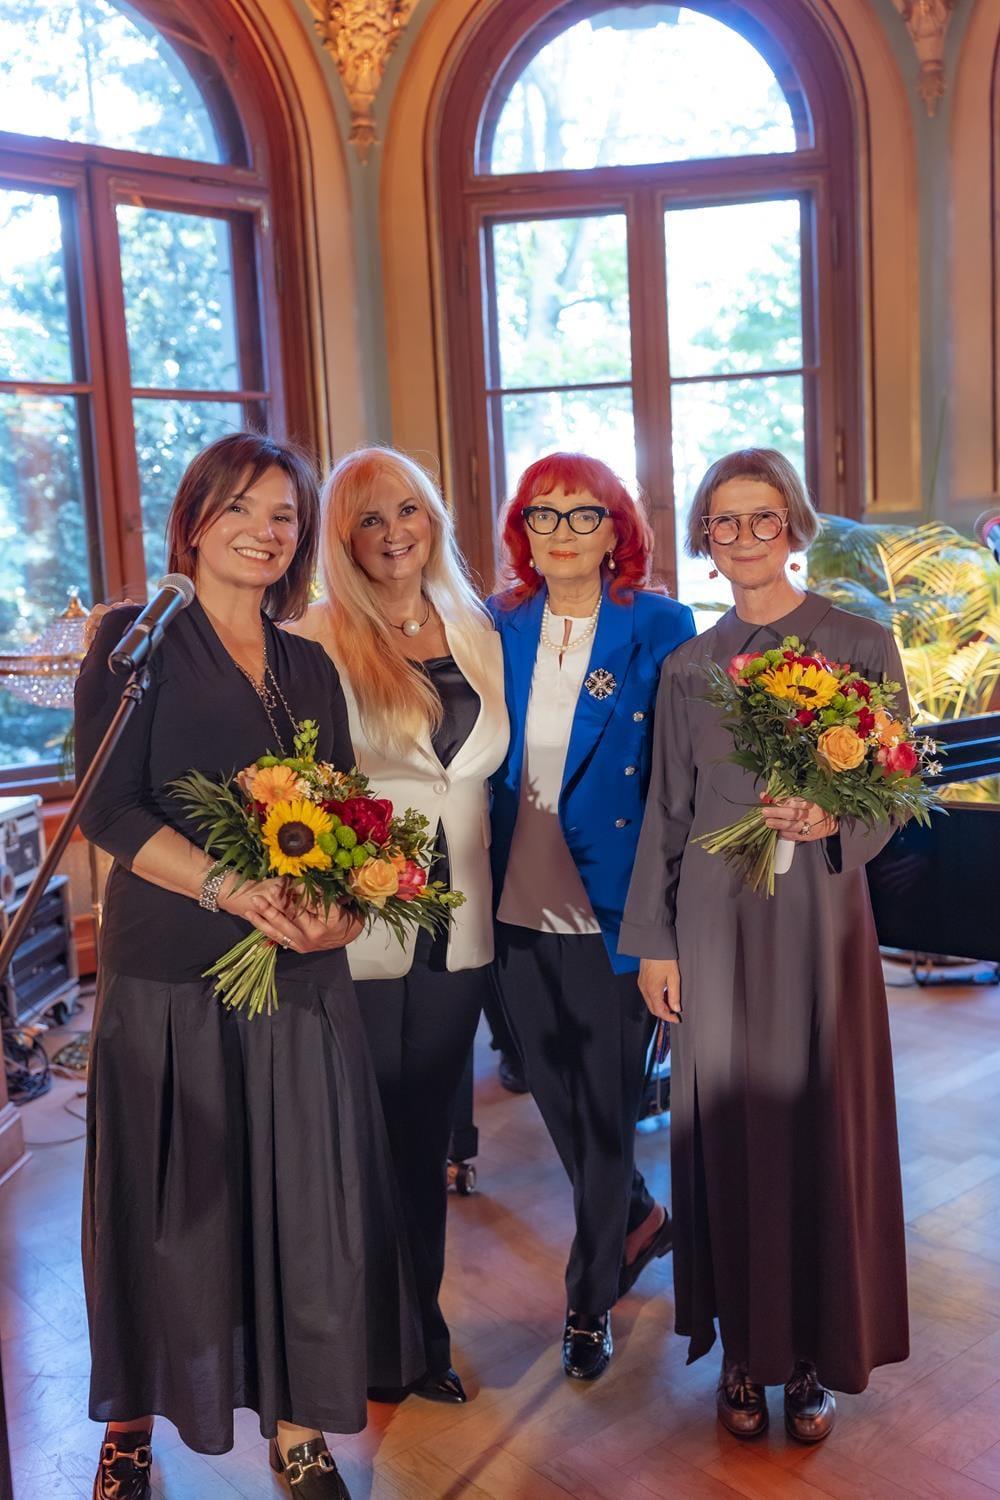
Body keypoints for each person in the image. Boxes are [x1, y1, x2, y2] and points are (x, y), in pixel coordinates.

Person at [76, 433, 423, 1500]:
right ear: (192, 521)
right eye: (239, 508)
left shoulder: (308, 661)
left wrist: (339, 912)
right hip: (172, 968)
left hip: (296, 974)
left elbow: (343, 818)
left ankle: (298, 1428)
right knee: (167, 1210)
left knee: (301, 1205)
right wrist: (228, 888)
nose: (263, 532)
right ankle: (130, 1422)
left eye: (283, 516)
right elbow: (107, 807)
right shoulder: (133, 640)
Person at [619, 448, 910, 1443]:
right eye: (724, 522)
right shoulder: (686, 668)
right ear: (704, 539)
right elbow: (665, 812)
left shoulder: (860, 642)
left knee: (822, 1123)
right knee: (729, 1128)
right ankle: (745, 1350)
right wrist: (654, 944)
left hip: (820, 918)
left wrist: (835, 819)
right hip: (713, 921)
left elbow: (895, 786)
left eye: (763, 518)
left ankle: (816, 1353)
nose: (744, 537)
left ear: (794, 526)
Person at [288, 446, 508, 1404]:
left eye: (407, 511)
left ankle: (423, 1339)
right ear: (343, 538)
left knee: (425, 1140)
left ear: (434, 520)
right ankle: (366, 1345)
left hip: (460, 924)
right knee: (363, 1143)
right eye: (369, 519)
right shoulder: (316, 636)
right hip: (362, 921)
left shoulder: (473, 625)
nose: (393, 534)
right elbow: (296, 783)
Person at [487, 452, 695, 1380]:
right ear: (522, 531)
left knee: (607, 1105)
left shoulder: (659, 624)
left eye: (584, 514)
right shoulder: (496, 622)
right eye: (544, 514)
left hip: (615, 898)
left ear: (617, 530)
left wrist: (667, 923)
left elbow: (677, 783)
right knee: (554, 1090)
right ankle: (641, 1215)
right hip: (515, 894)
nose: (563, 531)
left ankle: (589, 1296)